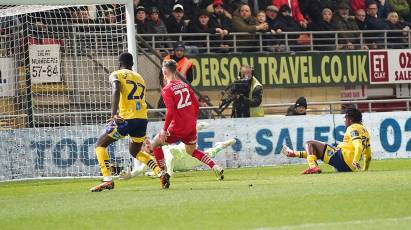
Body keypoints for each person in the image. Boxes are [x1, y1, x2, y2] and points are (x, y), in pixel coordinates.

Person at [89, 52, 160, 192]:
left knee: (100, 145)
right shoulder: (140, 78)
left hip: (126, 119)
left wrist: (114, 114)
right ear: (132, 64)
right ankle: (160, 172)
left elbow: (116, 89)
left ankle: (107, 180)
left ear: (119, 63)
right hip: (142, 119)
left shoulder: (116, 74)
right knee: (135, 151)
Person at [151, 60, 225, 189]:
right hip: (190, 126)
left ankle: (163, 174)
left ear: (165, 72)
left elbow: (171, 111)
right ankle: (215, 166)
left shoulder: (167, 89)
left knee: (156, 144)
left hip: (177, 127)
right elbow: (196, 104)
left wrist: (164, 129)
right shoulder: (185, 85)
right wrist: (191, 119)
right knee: (191, 151)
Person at [119, 122, 237, 179]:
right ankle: (221, 145)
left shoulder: (158, 147)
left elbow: (170, 158)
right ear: (143, 150)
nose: (148, 145)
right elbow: (140, 169)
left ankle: (194, 127)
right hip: (185, 163)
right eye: (145, 145)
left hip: (181, 151)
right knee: (210, 153)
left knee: (184, 141)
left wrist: (169, 173)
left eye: (148, 142)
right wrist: (128, 176)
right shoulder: (150, 159)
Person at [282, 108, 372, 174]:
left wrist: (355, 160)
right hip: (349, 167)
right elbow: (368, 156)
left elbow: (358, 146)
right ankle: (292, 153)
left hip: (342, 159)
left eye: (345, 119)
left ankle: (313, 167)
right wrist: (365, 169)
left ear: (350, 120)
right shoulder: (365, 132)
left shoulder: (353, 128)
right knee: (315, 151)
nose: (345, 121)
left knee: (310, 143)